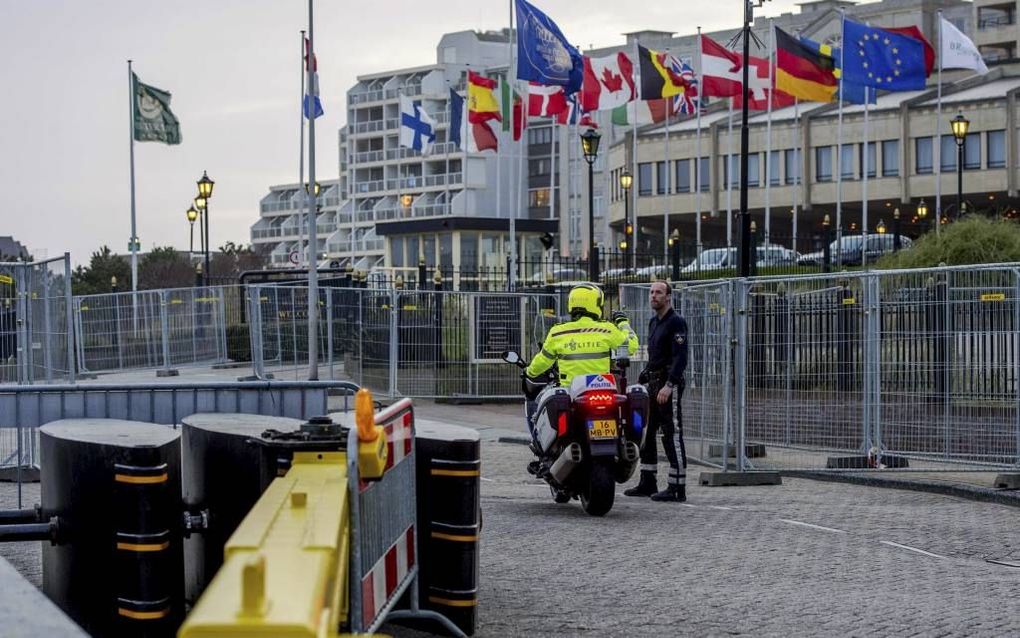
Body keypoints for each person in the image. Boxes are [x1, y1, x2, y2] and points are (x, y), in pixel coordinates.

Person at [624, 280, 688, 502]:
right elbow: (655, 355)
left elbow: (681, 357)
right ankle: (648, 481)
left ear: (668, 297)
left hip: (667, 384)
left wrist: (670, 385)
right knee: (647, 433)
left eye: (659, 292)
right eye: (651, 292)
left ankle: (677, 486)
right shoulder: (653, 322)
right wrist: (645, 373)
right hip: (652, 383)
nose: (653, 296)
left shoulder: (676, 322)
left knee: (671, 433)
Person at [525, 283, 638, 386]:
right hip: (601, 387)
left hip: (570, 391)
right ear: (597, 305)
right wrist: (623, 323)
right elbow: (630, 347)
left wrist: (529, 371)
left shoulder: (557, 332)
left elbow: (542, 361)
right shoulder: (607, 329)